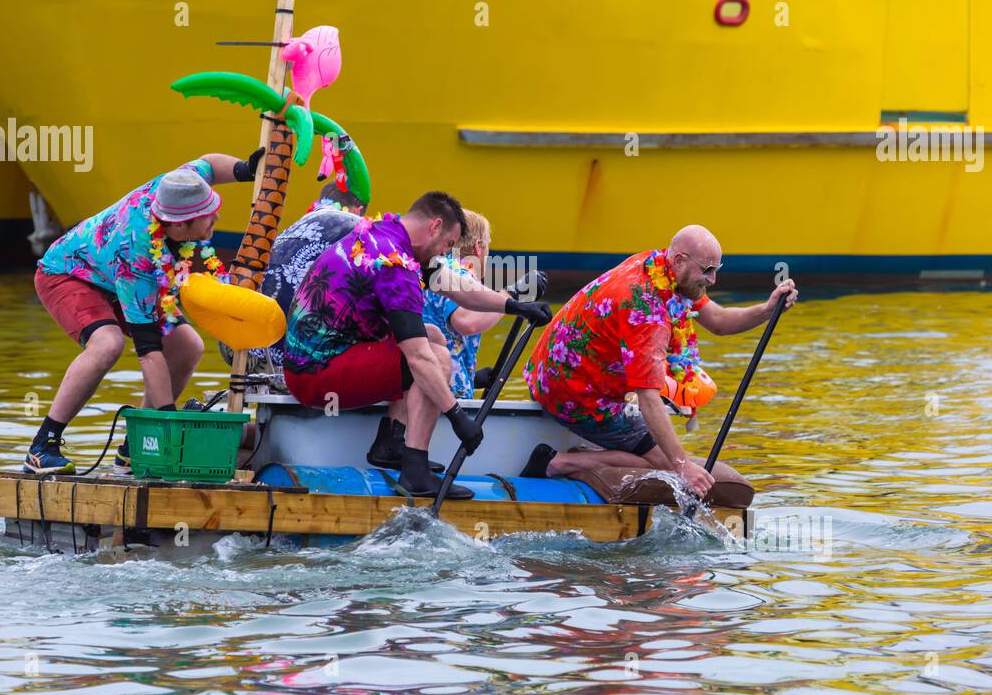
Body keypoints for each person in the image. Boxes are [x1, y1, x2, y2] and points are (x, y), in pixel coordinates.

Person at [281, 192, 551, 500]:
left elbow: (460, 289)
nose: (447, 254)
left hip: (316, 359)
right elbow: (418, 358)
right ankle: (415, 470)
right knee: (434, 354)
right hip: (316, 376)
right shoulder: (396, 269)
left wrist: (514, 305)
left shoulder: (387, 233)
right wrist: (459, 417)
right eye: (449, 245)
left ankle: (392, 442)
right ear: (435, 227)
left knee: (434, 334)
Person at [24, 150, 263, 474]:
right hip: (68, 274)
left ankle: (134, 449)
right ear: (181, 225)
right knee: (108, 344)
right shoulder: (137, 257)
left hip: (112, 272)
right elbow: (149, 353)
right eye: (208, 215)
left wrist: (246, 169)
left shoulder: (180, 186)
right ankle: (43, 446)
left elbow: (208, 163)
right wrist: (168, 420)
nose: (216, 219)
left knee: (187, 346)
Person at [520, 225, 798, 499]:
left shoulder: (657, 264)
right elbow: (648, 399)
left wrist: (767, 310)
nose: (713, 280)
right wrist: (682, 466)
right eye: (707, 270)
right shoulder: (646, 313)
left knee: (666, 447)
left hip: (552, 372)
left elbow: (719, 322)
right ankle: (557, 462)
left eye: (716, 269)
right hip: (572, 394)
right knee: (666, 465)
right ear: (679, 260)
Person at [219, 180, 368, 376]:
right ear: (358, 209)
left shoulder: (297, 227)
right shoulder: (352, 223)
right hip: (281, 350)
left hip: (237, 342)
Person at [420, 209, 547, 398]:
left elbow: (445, 330)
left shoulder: (431, 271)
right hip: (444, 398)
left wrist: (473, 379)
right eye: (488, 247)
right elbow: (466, 321)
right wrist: (513, 293)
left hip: (423, 382)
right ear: (478, 247)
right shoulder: (457, 273)